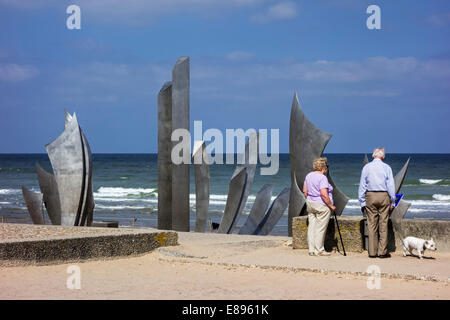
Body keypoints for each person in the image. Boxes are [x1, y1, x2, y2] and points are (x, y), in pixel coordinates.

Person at [358, 148, 396, 259]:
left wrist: (362, 202)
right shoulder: (387, 167)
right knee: (383, 224)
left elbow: (362, 185)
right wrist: (392, 201)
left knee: (371, 225)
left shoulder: (367, 167)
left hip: (370, 196)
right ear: (383, 157)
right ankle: (382, 252)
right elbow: (390, 186)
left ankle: (372, 252)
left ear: (373, 156)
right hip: (384, 196)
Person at [303, 157, 336, 256]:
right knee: (320, 228)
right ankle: (319, 250)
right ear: (324, 167)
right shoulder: (322, 178)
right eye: (326, 167)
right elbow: (324, 195)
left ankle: (311, 249)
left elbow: (305, 191)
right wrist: (331, 205)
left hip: (310, 204)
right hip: (321, 206)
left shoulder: (309, 176)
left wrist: (310, 199)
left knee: (312, 227)